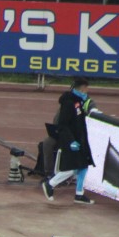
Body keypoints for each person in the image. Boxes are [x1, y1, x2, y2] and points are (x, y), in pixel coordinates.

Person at [41, 77, 97, 205]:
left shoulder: (79, 102)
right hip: (71, 141)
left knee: (83, 166)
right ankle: (50, 184)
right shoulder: (68, 103)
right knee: (73, 167)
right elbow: (63, 125)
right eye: (85, 90)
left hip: (79, 139)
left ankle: (79, 194)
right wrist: (71, 141)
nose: (86, 92)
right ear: (81, 89)